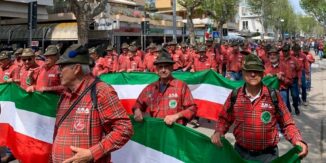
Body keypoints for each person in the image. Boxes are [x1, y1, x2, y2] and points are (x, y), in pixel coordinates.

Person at [211, 54, 308, 163]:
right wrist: (218, 131)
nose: (253, 74)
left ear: (262, 73)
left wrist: (297, 140)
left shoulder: (273, 96)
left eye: (256, 71)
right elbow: (224, 118)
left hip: (268, 157)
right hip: (240, 155)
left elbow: (287, 123)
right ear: (243, 73)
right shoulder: (235, 95)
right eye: (249, 70)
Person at [52, 44, 133, 163]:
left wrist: (92, 153)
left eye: (62, 67)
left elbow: (125, 129)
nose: (58, 72)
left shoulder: (101, 91)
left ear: (76, 69)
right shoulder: (65, 95)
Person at [133, 49, 197, 126]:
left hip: (175, 133)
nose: (163, 70)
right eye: (160, 67)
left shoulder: (181, 86)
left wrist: (176, 116)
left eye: (166, 67)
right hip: (156, 131)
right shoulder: (150, 88)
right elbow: (138, 104)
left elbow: (192, 109)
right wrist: (137, 110)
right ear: (156, 69)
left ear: (172, 68)